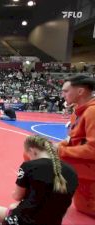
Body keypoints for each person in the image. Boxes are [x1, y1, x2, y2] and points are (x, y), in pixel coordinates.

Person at [0, 135, 78, 225]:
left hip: (24, 220)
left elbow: (17, 196)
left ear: (32, 151)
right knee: (14, 206)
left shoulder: (29, 166)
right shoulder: (72, 172)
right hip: (53, 222)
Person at [55, 75, 95, 217]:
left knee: (35, 157)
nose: (63, 95)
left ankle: (31, 208)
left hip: (90, 165)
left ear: (80, 92)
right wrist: (59, 145)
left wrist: (60, 150)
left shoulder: (92, 111)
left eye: (66, 91)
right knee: (83, 208)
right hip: (85, 165)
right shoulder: (78, 111)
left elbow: (93, 150)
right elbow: (72, 139)